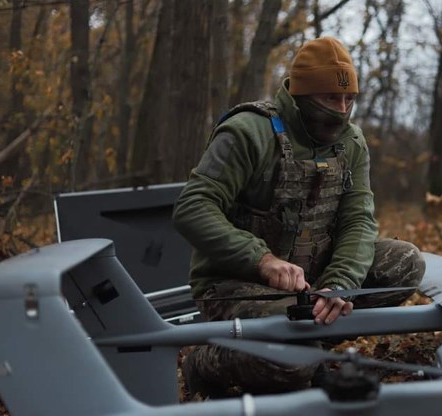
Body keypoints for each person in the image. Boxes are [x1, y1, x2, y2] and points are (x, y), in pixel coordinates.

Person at [173, 36, 425, 397]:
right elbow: (192, 207)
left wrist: (340, 284)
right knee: (293, 361)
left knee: (405, 263)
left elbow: (359, 220)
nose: (341, 109)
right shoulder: (248, 132)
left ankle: (312, 348)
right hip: (235, 284)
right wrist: (260, 260)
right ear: (302, 96)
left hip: (312, 285)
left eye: (349, 99)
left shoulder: (351, 142)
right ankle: (207, 361)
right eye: (329, 99)